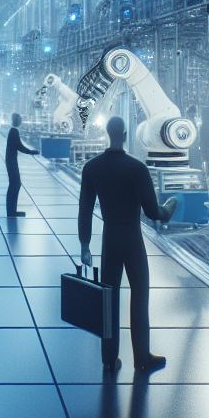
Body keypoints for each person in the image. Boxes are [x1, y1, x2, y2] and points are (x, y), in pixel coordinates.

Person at [78, 116, 176, 373]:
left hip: (109, 237)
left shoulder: (92, 167)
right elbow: (153, 212)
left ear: (107, 133)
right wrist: (170, 207)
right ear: (124, 135)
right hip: (132, 237)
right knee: (140, 295)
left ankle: (109, 358)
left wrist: (85, 245)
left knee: (109, 298)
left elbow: (85, 210)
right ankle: (142, 357)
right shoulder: (137, 168)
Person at [5, 113, 39, 217]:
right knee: (15, 184)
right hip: (11, 161)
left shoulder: (13, 131)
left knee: (14, 184)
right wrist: (32, 152)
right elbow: (20, 147)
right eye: (20, 120)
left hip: (11, 160)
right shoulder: (14, 132)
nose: (21, 122)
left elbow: (18, 146)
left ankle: (11, 210)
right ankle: (11, 211)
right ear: (17, 121)